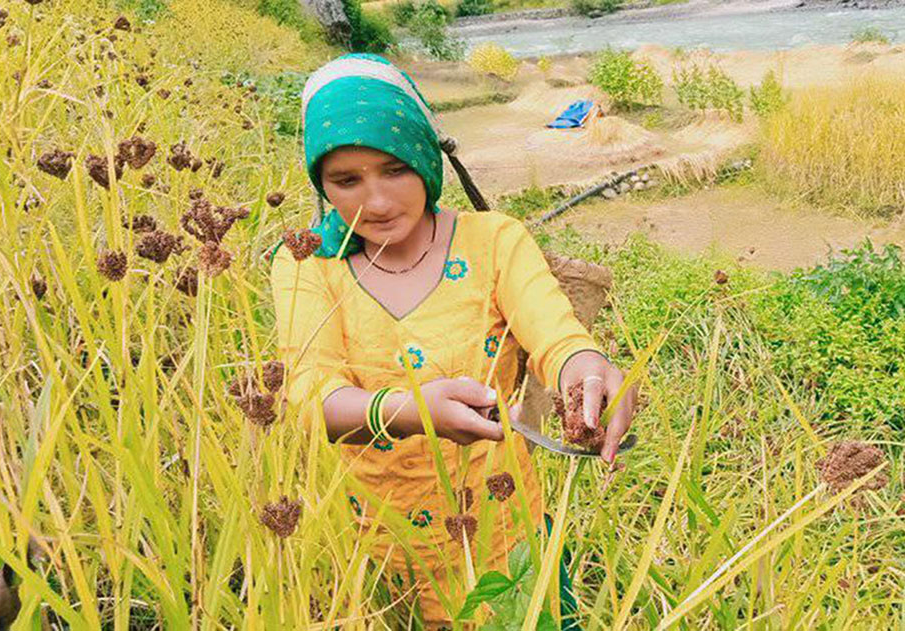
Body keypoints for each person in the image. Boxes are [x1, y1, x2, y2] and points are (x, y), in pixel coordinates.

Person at [270, 53, 637, 629]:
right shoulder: (309, 265)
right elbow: (309, 395)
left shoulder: (493, 240)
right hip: (386, 539)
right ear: (321, 182)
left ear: (425, 156)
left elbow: (555, 333)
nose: (379, 202)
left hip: (508, 531)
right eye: (346, 180)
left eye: (395, 169)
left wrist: (586, 369)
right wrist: (410, 411)